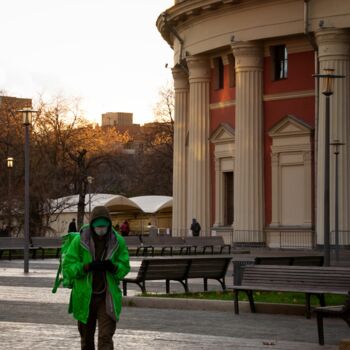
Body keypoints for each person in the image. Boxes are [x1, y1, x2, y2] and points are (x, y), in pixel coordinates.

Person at [63, 206, 130, 350]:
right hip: (85, 296)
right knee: (86, 338)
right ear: (92, 225)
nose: (101, 229)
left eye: (104, 226)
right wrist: (86, 267)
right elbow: (68, 266)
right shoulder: (80, 241)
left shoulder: (117, 241)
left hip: (107, 296)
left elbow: (124, 265)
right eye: (98, 226)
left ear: (109, 225)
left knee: (105, 336)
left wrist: (113, 267)